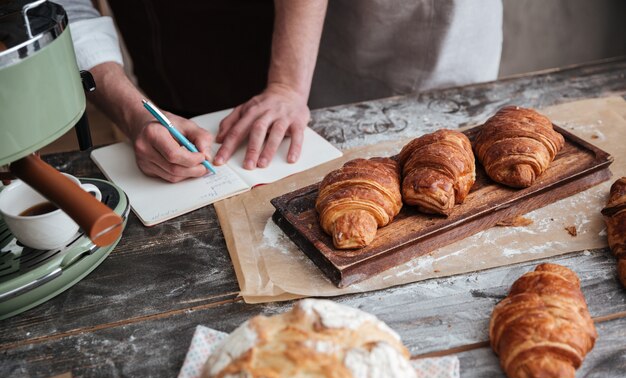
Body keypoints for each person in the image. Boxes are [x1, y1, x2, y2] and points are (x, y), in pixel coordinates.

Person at [59, 0, 502, 182]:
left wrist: (287, 82)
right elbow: (56, 8)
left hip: (315, 39)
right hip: (163, 57)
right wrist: (133, 109)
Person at [58, 0, 327, 182]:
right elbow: (64, 8)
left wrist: (287, 86)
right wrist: (133, 114)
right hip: (164, 72)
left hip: (286, 47)